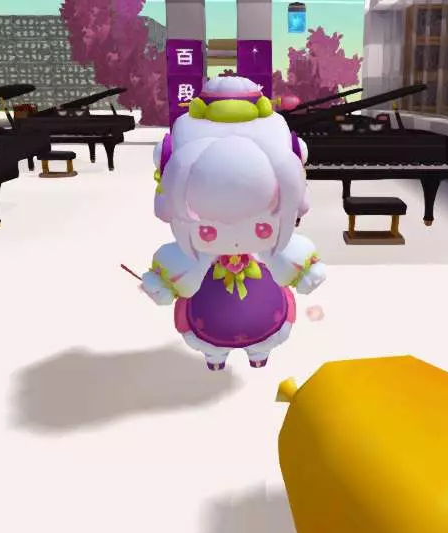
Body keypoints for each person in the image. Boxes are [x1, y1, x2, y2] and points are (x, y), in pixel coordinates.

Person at [138, 77, 325, 370]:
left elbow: (291, 254)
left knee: (262, 326)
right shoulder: (196, 248)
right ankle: (216, 356)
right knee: (211, 335)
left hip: (264, 309)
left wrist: (305, 271)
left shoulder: (268, 245)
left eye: (261, 227)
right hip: (208, 311)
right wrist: (161, 282)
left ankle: (257, 353)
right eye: (209, 230)